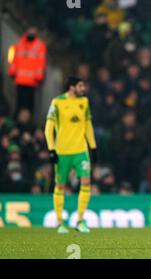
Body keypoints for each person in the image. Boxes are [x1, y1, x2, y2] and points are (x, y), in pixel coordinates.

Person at [44, 77, 97, 234]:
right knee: (60, 185)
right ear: (71, 87)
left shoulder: (84, 102)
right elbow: (48, 128)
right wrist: (51, 149)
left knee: (86, 182)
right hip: (63, 151)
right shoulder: (57, 102)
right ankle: (60, 223)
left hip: (81, 151)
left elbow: (88, 126)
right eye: (80, 85)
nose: (83, 88)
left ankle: (80, 221)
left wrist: (93, 147)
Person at [8, 27, 47, 116]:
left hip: (31, 82)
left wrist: (39, 78)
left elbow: (41, 63)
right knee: (20, 104)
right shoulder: (18, 45)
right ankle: (18, 122)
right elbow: (14, 60)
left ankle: (26, 123)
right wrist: (12, 73)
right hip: (21, 80)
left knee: (28, 105)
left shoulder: (39, 46)